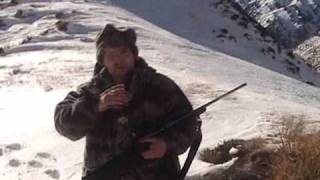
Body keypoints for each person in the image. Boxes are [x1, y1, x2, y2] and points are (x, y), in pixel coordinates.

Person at [54, 24, 197, 180]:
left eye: (124, 52)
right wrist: (96, 105)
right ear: (102, 60)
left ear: (134, 55)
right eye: (111, 55)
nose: (118, 60)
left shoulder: (159, 86)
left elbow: (189, 122)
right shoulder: (90, 92)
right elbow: (63, 123)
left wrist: (166, 145)